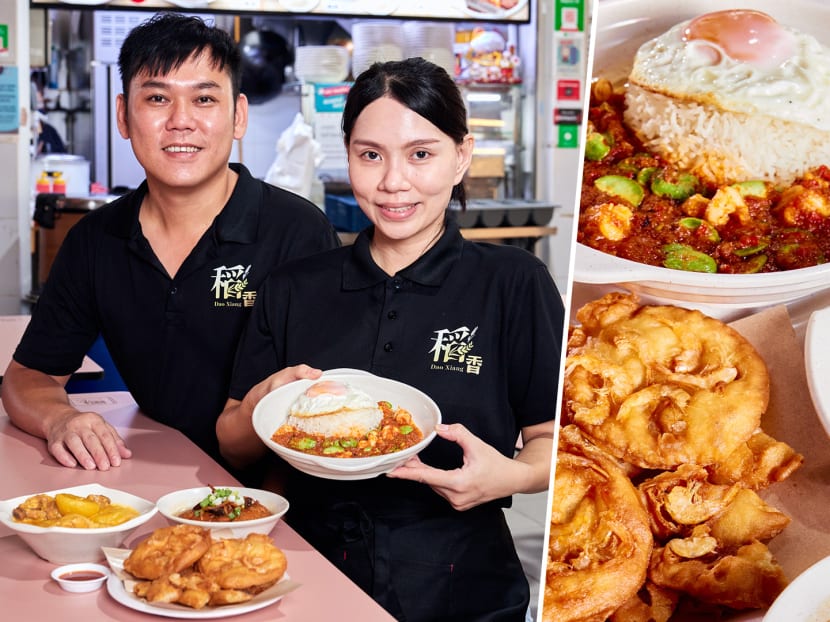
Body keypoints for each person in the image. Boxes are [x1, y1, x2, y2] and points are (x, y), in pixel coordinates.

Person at [216, 57, 565, 621]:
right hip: (303, 566)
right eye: (370, 155)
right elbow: (233, 440)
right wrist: (264, 399)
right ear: (347, 155)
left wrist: (515, 474)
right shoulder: (295, 286)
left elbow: (553, 440)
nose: (393, 182)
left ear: (462, 156)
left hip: (461, 575)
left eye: (421, 154)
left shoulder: (513, 282)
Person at [1, 13, 340, 473]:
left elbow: (326, 399)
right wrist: (60, 417)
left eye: (204, 98)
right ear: (123, 115)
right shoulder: (96, 240)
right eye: (158, 98)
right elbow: (29, 377)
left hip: (278, 497)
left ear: (237, 116)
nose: (181, 121)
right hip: (149, 474)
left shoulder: (297, 232)